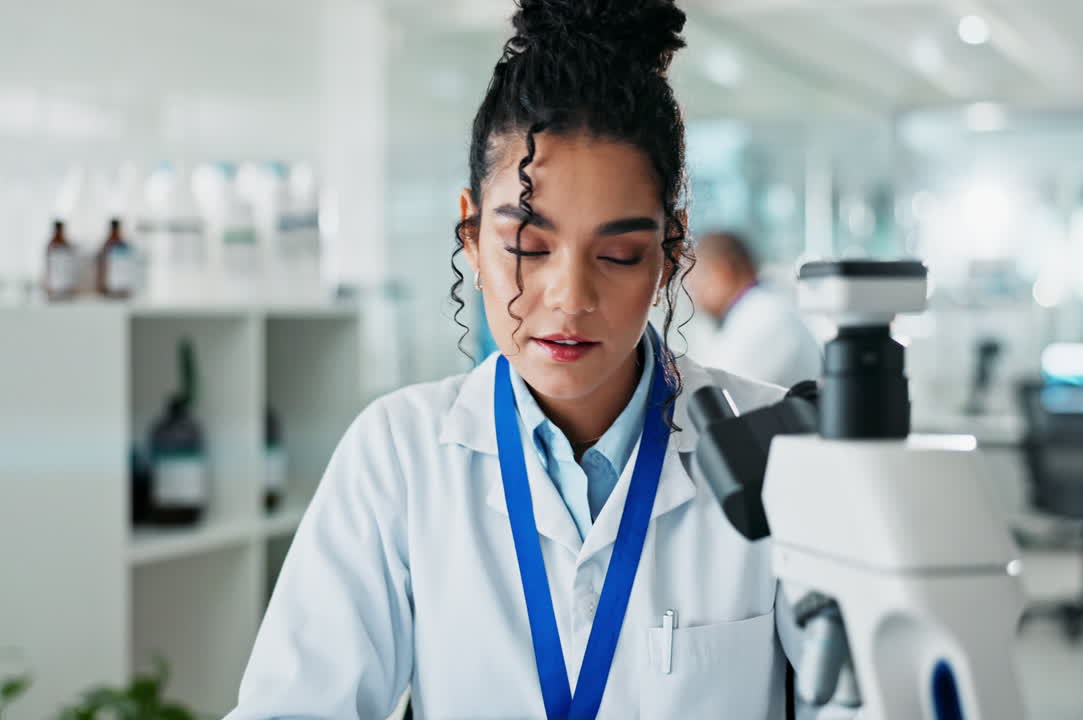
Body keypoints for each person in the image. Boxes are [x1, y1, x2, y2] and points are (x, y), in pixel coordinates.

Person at [226, 2, 809, 718]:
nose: (569, 298)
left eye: (619, 254)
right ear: (470, 236)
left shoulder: (776, 448)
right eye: (528, 247)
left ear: (669, 252)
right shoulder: (399, 457)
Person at [686, 230, 822, 389]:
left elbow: (720, 394)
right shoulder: (758, 309)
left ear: (721, 272)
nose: (692, 293)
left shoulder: (765, 318)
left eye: (696, 279)